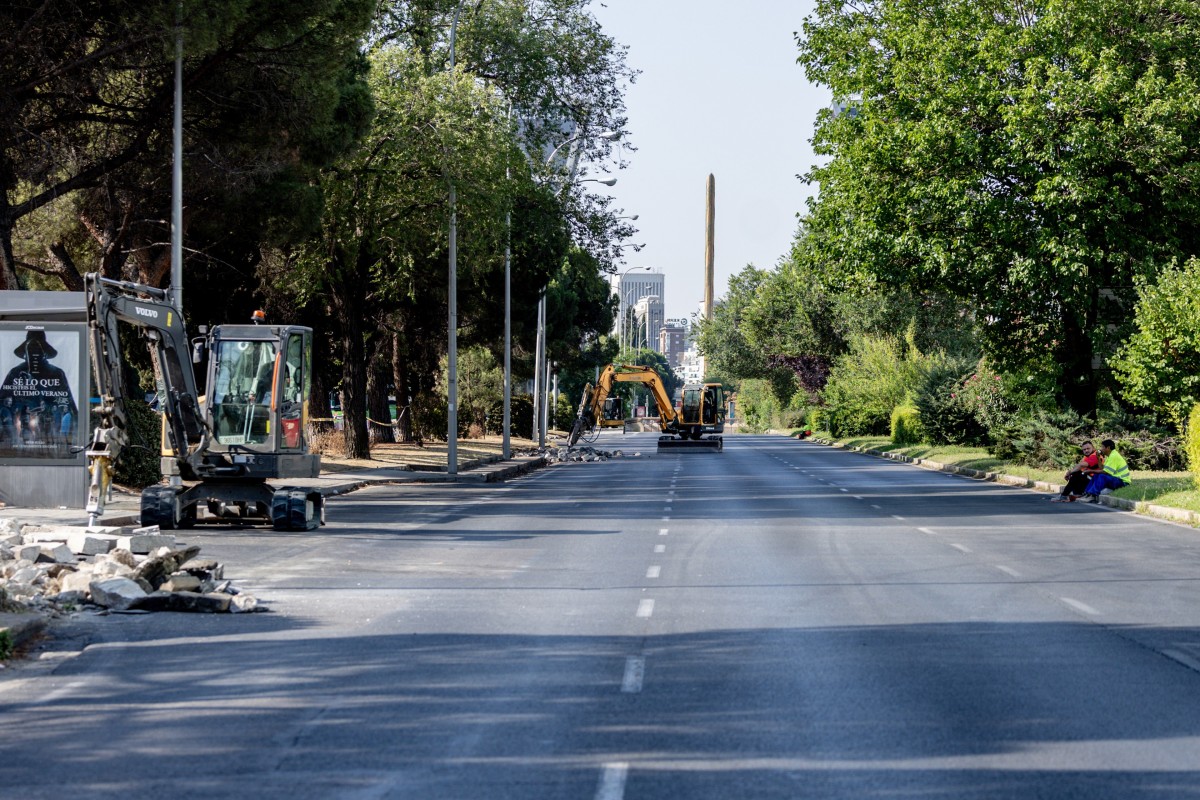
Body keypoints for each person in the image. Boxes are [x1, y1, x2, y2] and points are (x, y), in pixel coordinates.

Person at [1078, 439, 1131, 503]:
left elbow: (1105, 472)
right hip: (1116, 479)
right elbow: (1102, 468)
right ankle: (1087, 493)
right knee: (1097, 475)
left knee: (1101, 476)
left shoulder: (1114, 456)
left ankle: (1092, 495)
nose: (1101, 449)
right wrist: (1098, 458)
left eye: (1102, 447)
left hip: (1122, 482)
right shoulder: (1110, 456)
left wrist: (1090, 470)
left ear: (1108, 448)